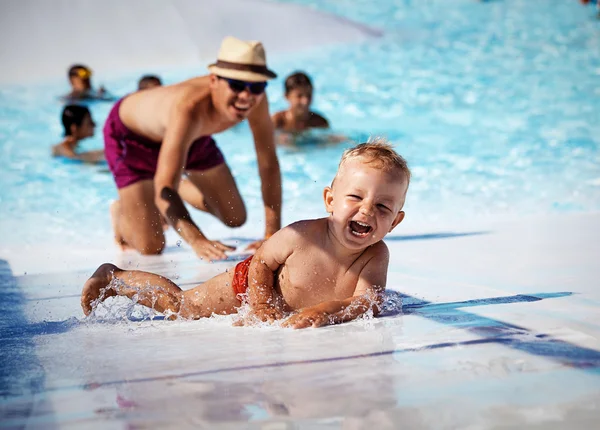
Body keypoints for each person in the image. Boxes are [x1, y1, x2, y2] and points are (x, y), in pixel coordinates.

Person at [81, 139, 411, 329]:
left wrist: (325, 313)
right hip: (248, 284)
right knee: (182, 306)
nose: (367, 211)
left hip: (281, 300)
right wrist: (261, 304)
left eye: (383, 208)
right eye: (355, 197)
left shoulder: (375, 255)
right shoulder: (301, 235)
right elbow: (262, 263)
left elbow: (368, 300)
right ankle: (115, 277)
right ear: (330, 200)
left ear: (394, 223)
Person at [104, 36, 282, 260]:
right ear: (214, 80)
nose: (246, 96)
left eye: (257, 85)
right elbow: (164, 187)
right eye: (236, 85)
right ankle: (123, 212)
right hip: (132, 138)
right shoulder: (189, 108)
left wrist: (271, 234)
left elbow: (269, 165)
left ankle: (171, 176)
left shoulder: (256, 100)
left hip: (191, 136)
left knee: (234, 216)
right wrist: (197, 240)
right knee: (151, 246)